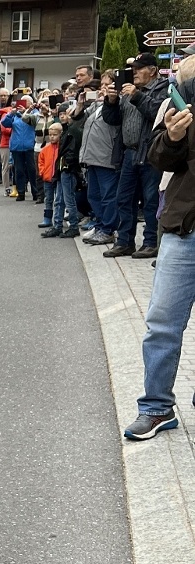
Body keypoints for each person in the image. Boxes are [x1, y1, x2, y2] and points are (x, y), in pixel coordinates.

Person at [123, 90, 195, 440]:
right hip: (184, 228)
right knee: (162, 323)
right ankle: (156, 407)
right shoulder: (186, 97)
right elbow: (158, 158)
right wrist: (173, 136)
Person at [105, 53, 169, 259]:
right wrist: (111, 102)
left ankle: (151, 243)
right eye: (132, 69)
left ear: (152, 70)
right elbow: (112, 120)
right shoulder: (128, 90)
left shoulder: (163, 89)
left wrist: (137, 96)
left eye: (139, 68)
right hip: (129, 152)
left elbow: (158, 113)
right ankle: (125, 242)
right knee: (124, 199)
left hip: (151, 153)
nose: (134, 72)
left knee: (151, 200)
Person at [78, 72, 122, 246]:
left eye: (107, 85)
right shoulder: (97, 106)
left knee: (108, 196)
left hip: (106, 157)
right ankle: (100, 225)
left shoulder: (117, 104)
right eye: (102, 85)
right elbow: (78, 119)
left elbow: (114, 120)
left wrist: (110, 100)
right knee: (94, 196)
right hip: (91, 157)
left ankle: (108, 229)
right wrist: (80, 103)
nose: (103, 88)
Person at [44, 106, 82, 238]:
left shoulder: (74, 130)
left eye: (65, 113)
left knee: (68, 199)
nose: (62, 116)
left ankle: (73, 226)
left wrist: (68, 164)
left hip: (68, 169)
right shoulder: (66, 130)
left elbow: (73, 150)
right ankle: (57, 226)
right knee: (59, 199)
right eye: (60, 114)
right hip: (62, 168)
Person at [1, 97, 38, 202]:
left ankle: (36, 192)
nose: (24, 104)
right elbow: (4, 123)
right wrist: (11, 113)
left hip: (30, 146)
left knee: (32, 170)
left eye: (27, 102)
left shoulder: (35, 114)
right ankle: (20, 192)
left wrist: (26, 112)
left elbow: (35, 122)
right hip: (17, 146)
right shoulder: (15, 115)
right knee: (18, 170)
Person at [38, 122, 62, 229]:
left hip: (58, 178)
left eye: (55, 135)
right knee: (48, 199)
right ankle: (47, 218)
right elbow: (41, 162)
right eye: (50, 135)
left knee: (59, 200)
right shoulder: (45, 150)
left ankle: (58, 218)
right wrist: (42, 172)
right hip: (47, 178)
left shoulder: (61, 149)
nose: (52, 137)